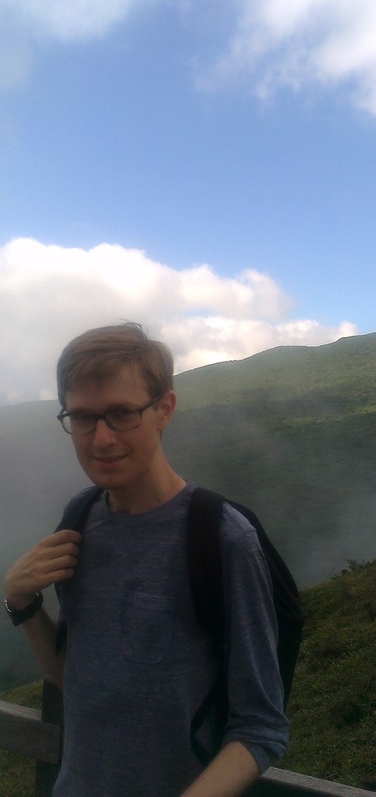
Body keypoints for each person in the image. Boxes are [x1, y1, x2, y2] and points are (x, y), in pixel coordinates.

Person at [3, 323, 288, 797]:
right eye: (82, 417)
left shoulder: (223, 540)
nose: (101, 439)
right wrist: (22, 603)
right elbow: (81, 680)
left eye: (121, 414)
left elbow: (260, 728)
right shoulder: (79, 520)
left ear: (164, 410)